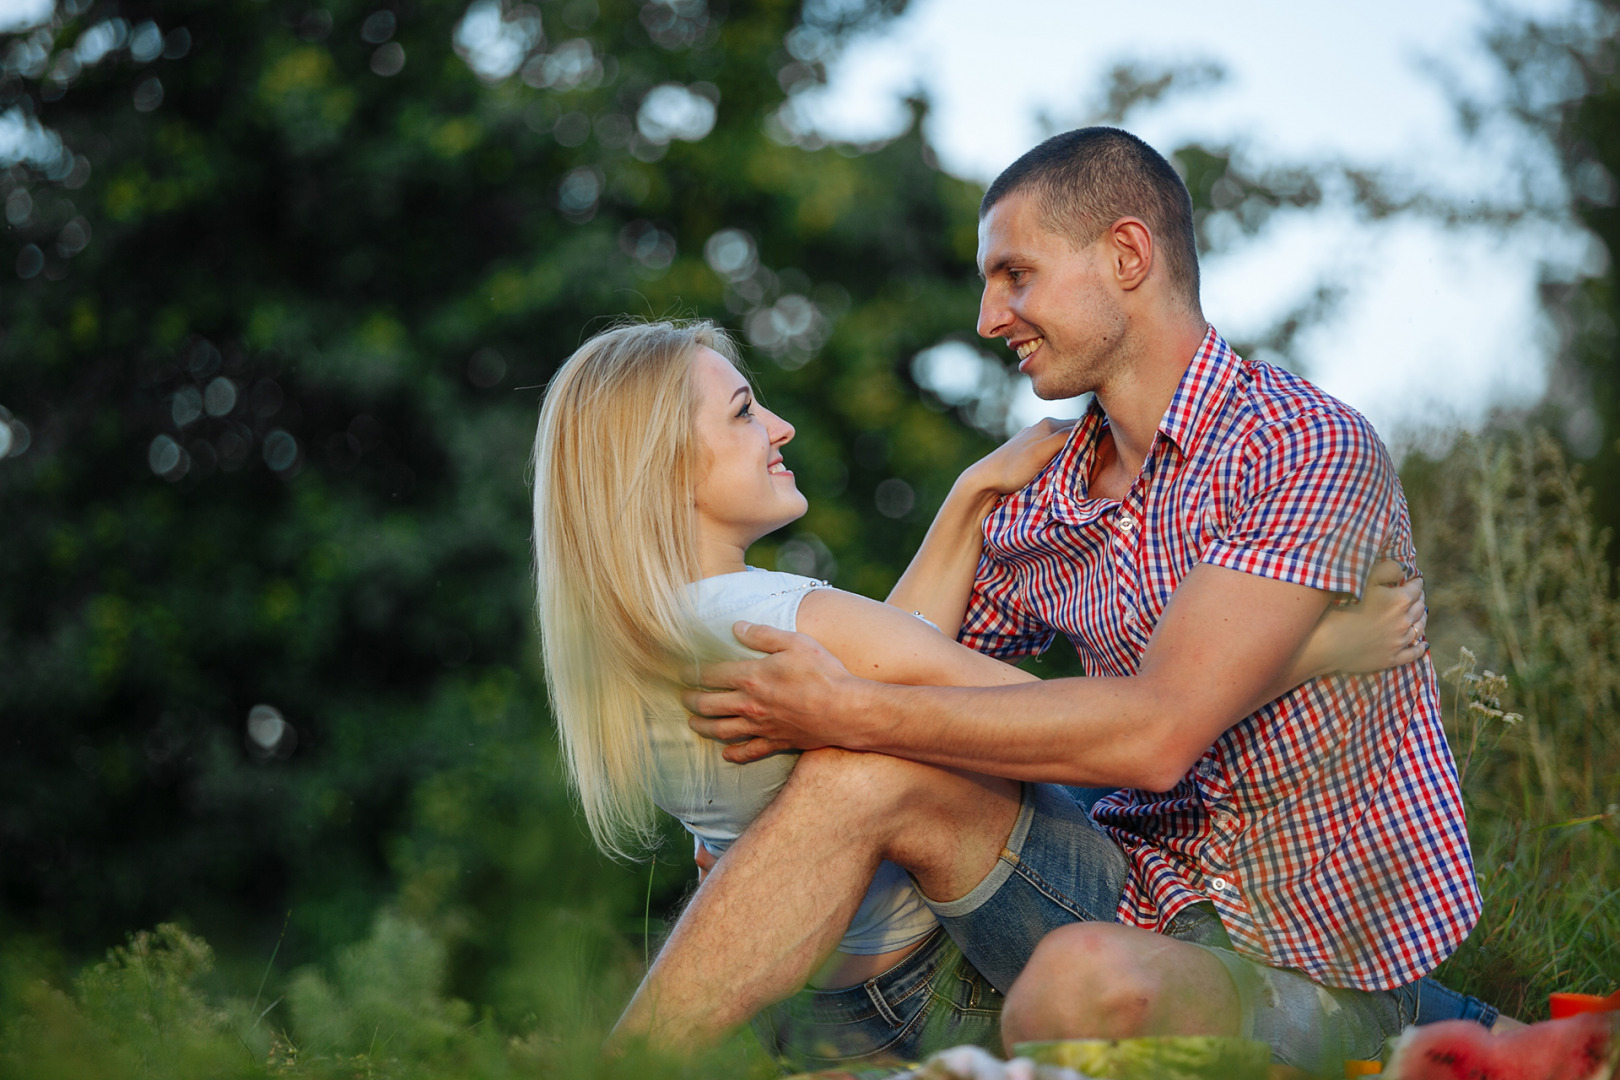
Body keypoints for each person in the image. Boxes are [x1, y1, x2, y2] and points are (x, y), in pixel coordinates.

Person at [625, 127, 1498, 1077]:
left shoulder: (1295, 447)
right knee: (861, 774)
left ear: (1127, 255)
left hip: (1311, 945)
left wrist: (850, 710)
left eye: (1016, 275)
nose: (989, 316)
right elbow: (903, 662)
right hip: (1125, 890)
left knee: (873, 764)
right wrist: (962, 509)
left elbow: (1153, 737)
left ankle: (1393, 1032)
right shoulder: (1046, 493)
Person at [530, 317, 1430, 1068]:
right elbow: (1069, 725)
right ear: (660, 467)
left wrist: (968, 499)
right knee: (879, 773)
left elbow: (897, 656)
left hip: (832, 1007)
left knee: (873, 761)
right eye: (741, 413)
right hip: (949, 976)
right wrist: (1305, 653)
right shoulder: (770, 616)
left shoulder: (666, 639)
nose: (778, 427)